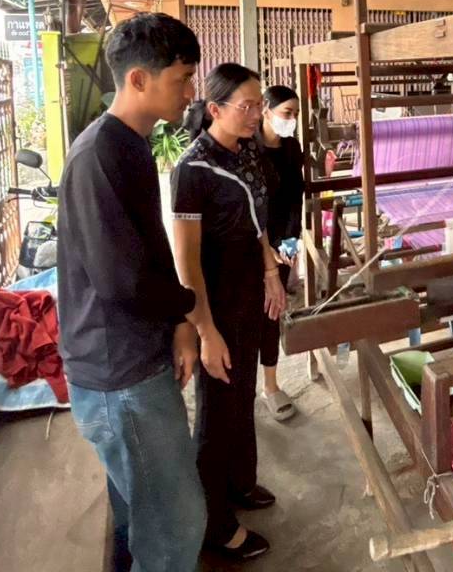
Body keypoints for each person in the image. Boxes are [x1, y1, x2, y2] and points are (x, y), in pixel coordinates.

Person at [55, 12, 206, 572]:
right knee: (176, 523)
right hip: (118, 374)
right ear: (138, 79)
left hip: (130, 360)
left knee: (144, 514)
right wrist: (188, 307)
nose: (189, 93)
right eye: (181, 80)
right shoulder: (100, 156)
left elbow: (149, 251)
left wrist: (180, 324)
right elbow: (124, 282)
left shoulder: (132, 144)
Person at [171, 64, 288, 562]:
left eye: (260, 104)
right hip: (215, 301)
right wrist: (205, 330)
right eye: (248, 105)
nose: (257, 113)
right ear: (215, 109)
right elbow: (186, 261)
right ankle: (215, 523)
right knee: (216, 410)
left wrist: (271, 273)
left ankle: (240, 482)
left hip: (248, 293)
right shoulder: (192, 170)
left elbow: (259, 224)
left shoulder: (247, 151)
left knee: (241, 394)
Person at [257, 84, 304, 422]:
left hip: (282, 241)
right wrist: (265, 248)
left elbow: (294, 197)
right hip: (254, 240)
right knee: (249, 312)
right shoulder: (247, 148)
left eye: (296, 114)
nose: (292, 120)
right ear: (266, 110)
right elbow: (250, 205)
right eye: (287, 113)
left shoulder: (291, 148)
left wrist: (290, 241)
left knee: (273, 311)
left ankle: (271, 386)